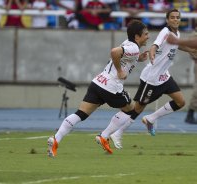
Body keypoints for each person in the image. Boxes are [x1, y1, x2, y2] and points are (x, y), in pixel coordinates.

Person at [47, 19, 149, 157]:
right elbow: (114, 52)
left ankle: (56, 139)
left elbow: (121, 56)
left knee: (81, 114)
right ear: (137, 36)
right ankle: (104, 136)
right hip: (112, 87)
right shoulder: (134, 48)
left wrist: (139, 59)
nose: (148, 36)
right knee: (131, 109)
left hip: (98, 82)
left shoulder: (128, 44)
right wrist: (119, 71)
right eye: (146, 34)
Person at [110, 9, 196, 149]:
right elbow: (154, 45)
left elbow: (177, 45)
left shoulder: (177, 33)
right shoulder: (165, 32)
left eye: (177, 17)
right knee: (137, 108)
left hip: (164, 76)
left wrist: (191, 50)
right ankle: (117, 133)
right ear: (167, 20)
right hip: (151, 78)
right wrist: (152, 53)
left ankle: (151, 118)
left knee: (180, 102)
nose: (175, 19)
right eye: (172, 17)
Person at [168, 31, 197, 124]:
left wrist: (177, 41)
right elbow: (192, 48)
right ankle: (190, 113)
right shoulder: (194, 34)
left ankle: (191, 113)